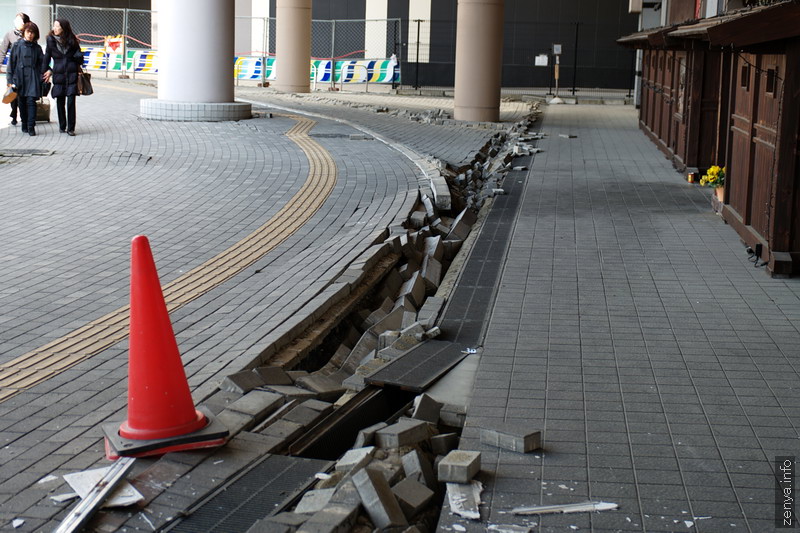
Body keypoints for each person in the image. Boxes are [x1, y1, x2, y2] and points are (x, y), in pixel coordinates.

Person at [43, 18, 82, 135]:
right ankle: (62, 125)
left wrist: (77, 57)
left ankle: (71, 128)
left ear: (63, 28)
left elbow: (80, 57)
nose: (55, 28)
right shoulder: (50, 40)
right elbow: (46, 58)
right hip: (59, 75)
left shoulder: (73, 41)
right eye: (54, 26)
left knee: (71, 102)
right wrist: (47, 70)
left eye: (57, 26)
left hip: (71, 74)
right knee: (60, 102)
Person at [7, 22, 44, 136]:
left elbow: (42, 63)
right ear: (24, 32)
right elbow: (11, 64)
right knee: (21, 101)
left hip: (32, 76)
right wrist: (10, 81)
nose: (30, 34)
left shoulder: (37, 48)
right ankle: (24, 123)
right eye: (28, 32)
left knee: (31, 101)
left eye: (32, 32)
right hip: (19, 76)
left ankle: (31, 125)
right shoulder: (17, 45)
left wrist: (48, 72)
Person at [2, 12, 30, 126]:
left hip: (27, 70)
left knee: (25, 95)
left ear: (25, 23)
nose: (16, 22)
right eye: (16, 20)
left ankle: (26, 117)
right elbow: (2, 51)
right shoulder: (9, 34)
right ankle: (14, 114)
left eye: (19, 20)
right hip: (14, 70)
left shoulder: (29, 34)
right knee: (13, 93)